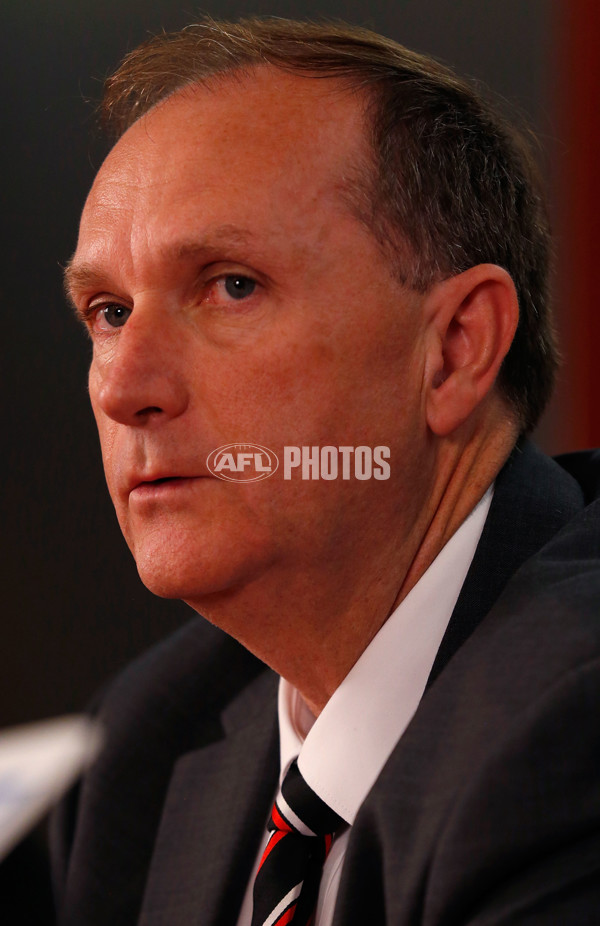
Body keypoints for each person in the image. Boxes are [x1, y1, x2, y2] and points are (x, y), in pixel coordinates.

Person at [51, 17, 600, 926]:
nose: (124, 388)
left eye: (231, 285)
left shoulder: (569, 725)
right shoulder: (146, 740)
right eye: (108, 311)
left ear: (456, 349)